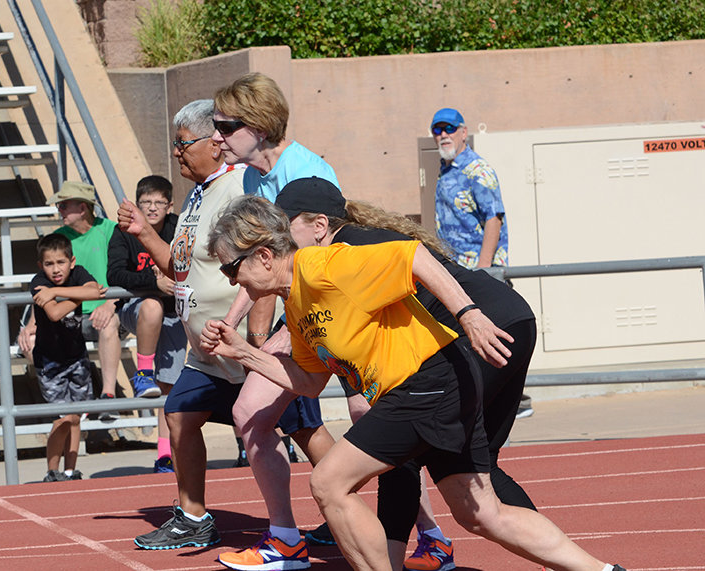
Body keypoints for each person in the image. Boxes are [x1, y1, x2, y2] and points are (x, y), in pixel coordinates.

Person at [201, 195, 628, 571]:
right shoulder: (296, 303)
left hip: (427, 380)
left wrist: (469, 314)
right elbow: (309, 383)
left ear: (262, 255)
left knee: (329, 481)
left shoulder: (323, 266)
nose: (231, 281)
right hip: (426, 390)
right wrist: (243, 352)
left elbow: (413, 257)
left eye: (230, 268)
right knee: (480, 513)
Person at [275, 177, 539, 570]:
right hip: (510, 318)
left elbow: (414, 260)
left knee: (409, 450)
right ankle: (568, 562)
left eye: (284, 226)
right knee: (473, 469)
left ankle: (392, 560)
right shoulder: (346, 246)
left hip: (482, 327)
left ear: (318, 226)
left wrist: (469, 316)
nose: (280, 239)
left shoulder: (344, 251)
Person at [119, 100, 320, 563]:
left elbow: (265, 262)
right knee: (179, 414)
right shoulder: (196, 193)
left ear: (213, 141)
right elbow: (183, 264)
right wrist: (145, 233)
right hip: (206, 349)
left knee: (303, 428)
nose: (176, 153)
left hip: (239, 343)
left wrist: (256, 335)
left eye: (182, 143)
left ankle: (338, 503)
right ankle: (193, 518)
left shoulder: (239, 187)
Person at [209, 72, 340, 567]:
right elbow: (257, 266)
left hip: (335, 314)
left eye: (225, 125)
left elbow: (319, 259)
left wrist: (259, 334)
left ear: (259, 126)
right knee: (250, 415)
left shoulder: (308, 172)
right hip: (299, 318)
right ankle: (286, 538)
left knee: (380, 424)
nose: (217, 136)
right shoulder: (250, 176)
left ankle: (430, 537)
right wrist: (232, 321)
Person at [432, 107, 533, 422]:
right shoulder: (446, 170)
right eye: (437, 129)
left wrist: (483, 269)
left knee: (491, 337)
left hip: (477, 273)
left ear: (464, 131)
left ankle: (512, 400)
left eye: (449, 128)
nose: (443, 134)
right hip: (456, 271)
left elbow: (494, 218)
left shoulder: (478, 170)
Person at [19, 181, 123, 421]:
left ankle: (108, 397)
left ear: (83, 208)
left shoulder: (109, 231)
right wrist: (32, 322)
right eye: (59, 205)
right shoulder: (57, 240)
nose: (60, 210)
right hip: (66, 316)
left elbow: (122, 274)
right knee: (29, 340)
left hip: (102, 310)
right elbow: (45, 291)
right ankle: (59, 399)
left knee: (108, 324)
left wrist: (110, 304)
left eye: (64, 205)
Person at [107, 175, 187, 472]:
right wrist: (154, 282)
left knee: (171, 388)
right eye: (146, 203)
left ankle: (165, 455)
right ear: (136, 205)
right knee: (151, 306)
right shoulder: (123, 232)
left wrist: (173, 282)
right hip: (136, 307)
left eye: (158, 203)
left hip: (174, 313)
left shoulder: (179, 227)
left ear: (169, 205)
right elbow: (114, 275)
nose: (152, 209)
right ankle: (143, 372)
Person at [29, 233, 103, 482]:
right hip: (49, 362)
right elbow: (54, 312)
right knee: (62, 419)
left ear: (71, 262)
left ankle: (70, 471)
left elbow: (96, 291)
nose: (56, 269)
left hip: (76, 356)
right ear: (41, 266)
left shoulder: (78, 273)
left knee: (75, 416)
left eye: (61, 262)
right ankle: (52, 471)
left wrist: (59, 291)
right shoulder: (38, 282)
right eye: (49, 264)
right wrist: (80, 294)